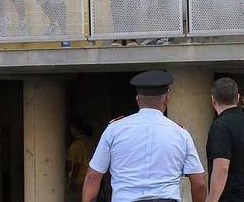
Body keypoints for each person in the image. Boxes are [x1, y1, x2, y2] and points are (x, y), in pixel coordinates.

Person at [83, 71, 207, 202]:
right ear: (166, 100)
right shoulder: (180, 133)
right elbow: (199, 183)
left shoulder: (114, 130)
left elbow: (93, 176)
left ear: (137, 100)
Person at [206, 77, 244, 202]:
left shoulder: (220, 126)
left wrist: (211, 200)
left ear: (212, 100)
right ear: (238, 98)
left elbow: (222, 168)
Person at [66, 117, 94, 202]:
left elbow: (77, 165)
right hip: (92, 180)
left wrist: (72, 181)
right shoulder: (90, 142)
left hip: (80, 182)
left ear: (73, 128)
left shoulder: (76, 145)